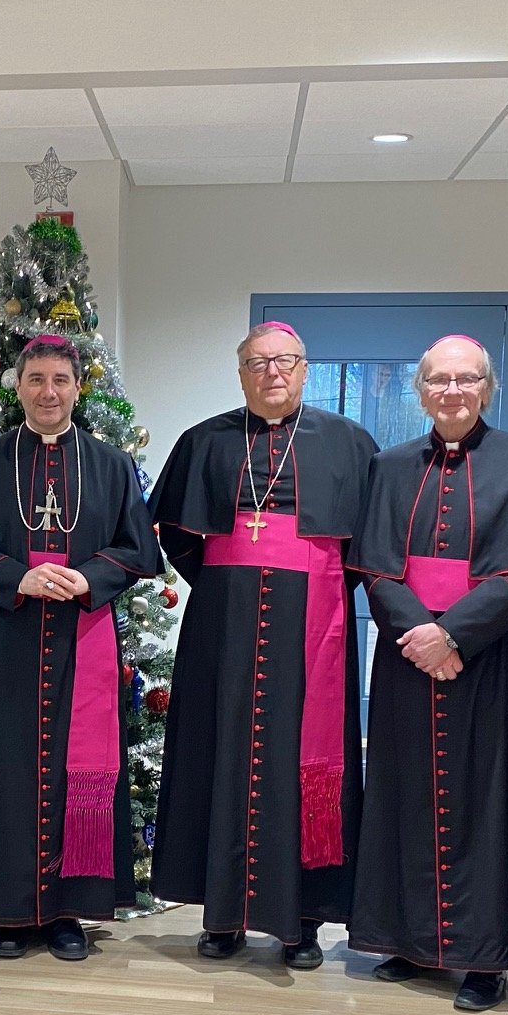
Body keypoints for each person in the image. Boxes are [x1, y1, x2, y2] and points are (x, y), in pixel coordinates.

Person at [149, 321, 375, 968]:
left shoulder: (349, 442)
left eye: (285, 361)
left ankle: (300, 921)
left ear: (304, 369)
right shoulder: (204, 442)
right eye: (257, 362)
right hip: (223, 626)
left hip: (314, 629)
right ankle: (222, 916)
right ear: (241, 372)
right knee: (217, 757)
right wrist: (231, 586)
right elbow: (179, 538)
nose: (272, 372)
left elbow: (369, 544)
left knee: (298, 762)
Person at [350, 335, 508, 1011]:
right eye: (438, 380)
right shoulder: (389, 465)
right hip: (407, 655)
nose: (451, 391)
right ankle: (406, 942)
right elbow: (376, 567)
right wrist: (420, 634)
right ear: (420, 390)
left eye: (465, 379)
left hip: (486, 656)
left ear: (486, 388)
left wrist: (454, 635)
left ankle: (479, 956)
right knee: (402, 795)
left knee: (485, 801)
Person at [0, 335, 161, 961]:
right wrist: (20, 577)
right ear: (17, 387)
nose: (48, 392)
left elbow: (138, 549)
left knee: (79, 770)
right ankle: (7, 912)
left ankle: (71, 911)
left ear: (77, 386)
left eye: (60, 379)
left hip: (81, 635)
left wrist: (91, 577)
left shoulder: (111, 464)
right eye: (36, 379)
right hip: (7, 639)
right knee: (4, 771)